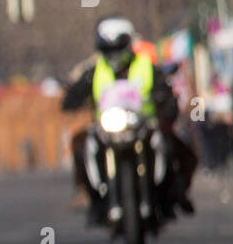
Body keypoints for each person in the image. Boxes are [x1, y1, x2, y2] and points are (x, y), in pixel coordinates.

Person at [61, 15, 195, 220]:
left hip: (144, 125)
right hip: (107, 128)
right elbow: (73, 94)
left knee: (174, 147)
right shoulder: (96, 71)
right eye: (108, 49)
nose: (114, 54)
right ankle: (93, 198)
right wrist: (71, 99)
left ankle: (176, 193)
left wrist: (166, 107)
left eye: (118, 47)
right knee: (81, 150)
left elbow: (165, 92)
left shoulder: (145, 66)